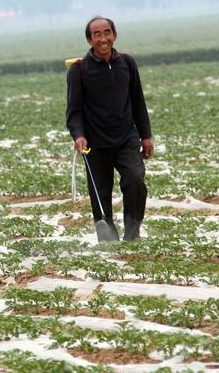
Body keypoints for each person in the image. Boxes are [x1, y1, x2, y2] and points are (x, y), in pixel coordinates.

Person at [66, 16, 154, 242]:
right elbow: (74, 111)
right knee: (100, 195)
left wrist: (146, 136)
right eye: (97, 34)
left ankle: (132, 235)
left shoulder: (127, 63)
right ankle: (108, 243)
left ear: (114, 35)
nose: (103, 38)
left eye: (107, 32)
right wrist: (79, 136)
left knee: (135, 181)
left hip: (126, 138)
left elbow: (138, 102)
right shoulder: (79, 70)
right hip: (94, 144)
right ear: (89, 40)